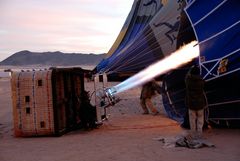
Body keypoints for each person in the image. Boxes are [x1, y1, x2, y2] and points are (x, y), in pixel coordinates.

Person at [185, 65, 207, 139]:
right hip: (200, 103)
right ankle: (199, 134)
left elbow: (186, 76)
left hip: (191, 104)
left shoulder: (188, 81)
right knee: (200, 120)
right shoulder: (201, 81)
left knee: (192, 120)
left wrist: (190, 69)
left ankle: (193, 134)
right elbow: (203, 80)